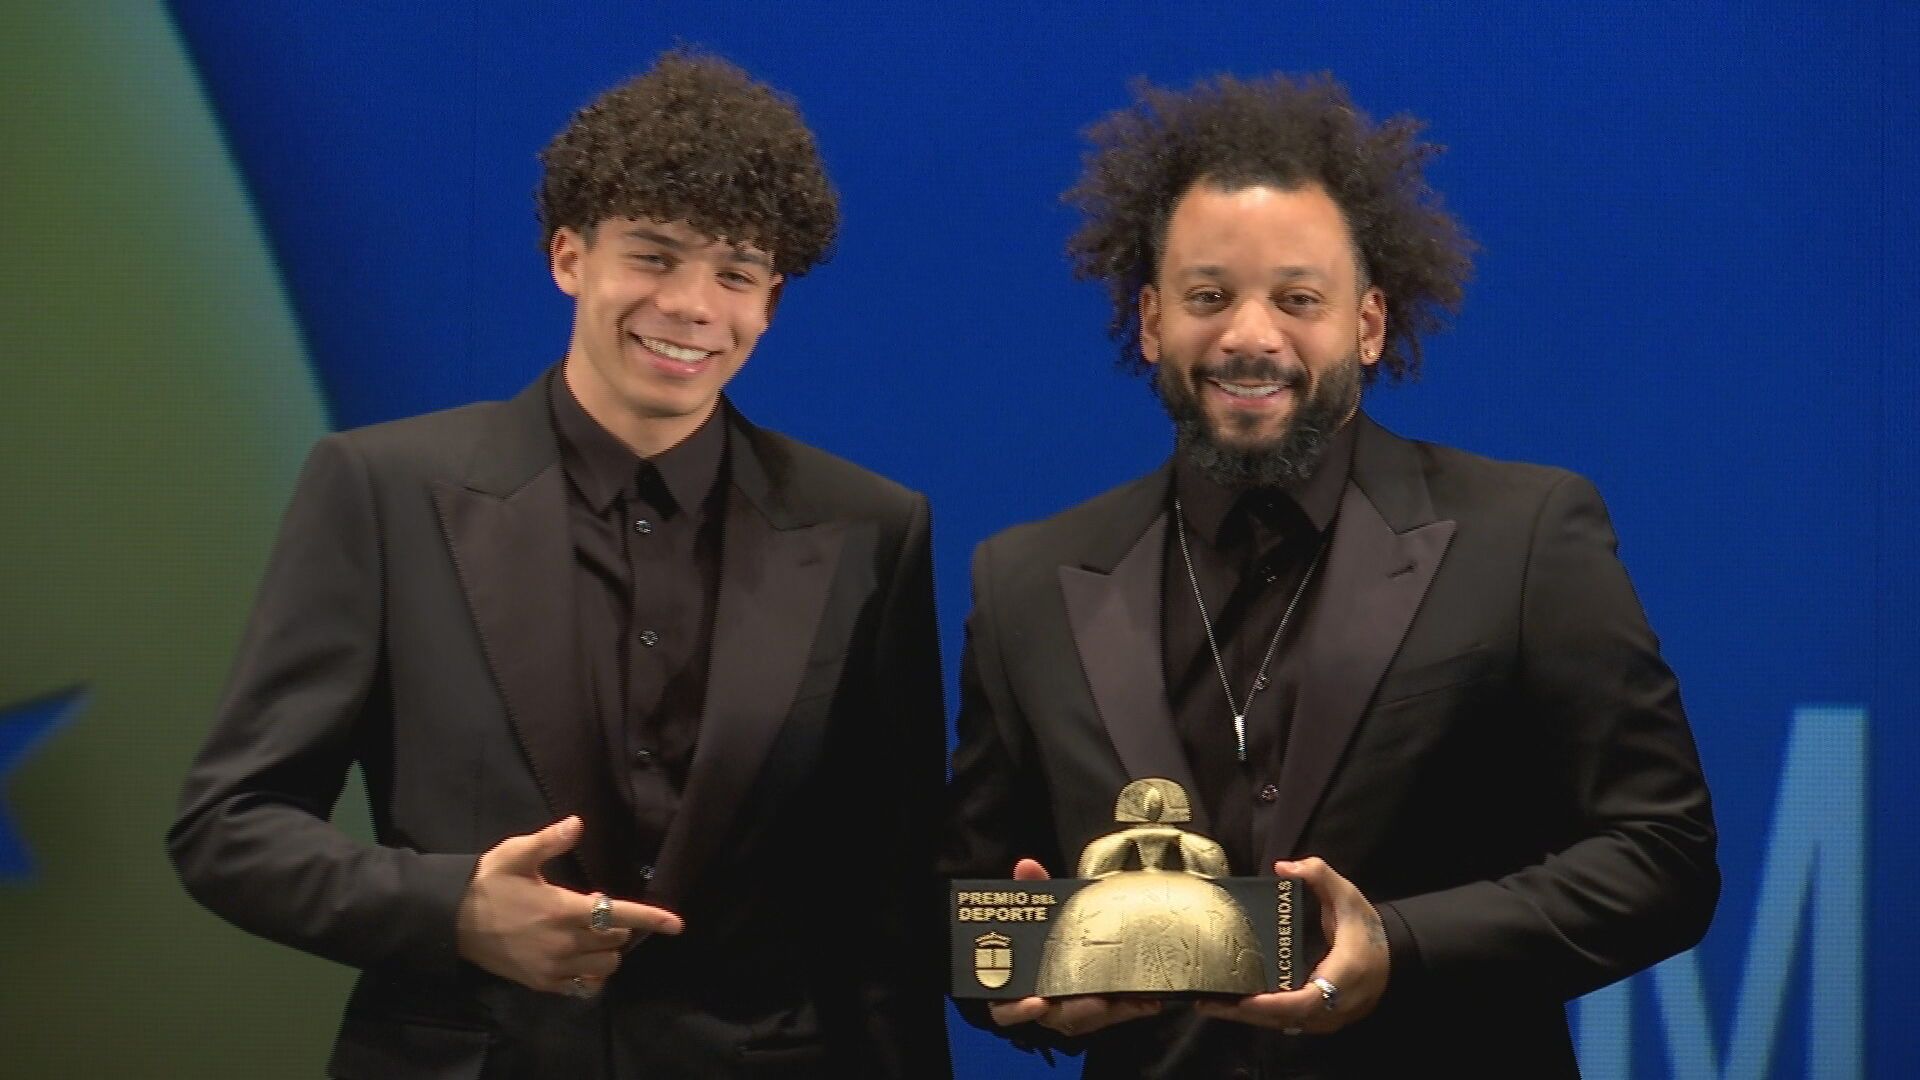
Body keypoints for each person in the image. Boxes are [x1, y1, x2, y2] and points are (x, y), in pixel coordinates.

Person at [169, 51, 951, 1078]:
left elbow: (883, 896)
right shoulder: (382, 489)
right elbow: (230, 827)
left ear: (772, 298)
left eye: (736, 273)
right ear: (568, 255)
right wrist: (452, 909)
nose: (692, 307)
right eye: (654, 256)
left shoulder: (868, 529)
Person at [941, 70, 1718, 1078]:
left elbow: (1662, 857)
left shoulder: (1524, 534)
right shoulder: (1026, 581)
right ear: (1149, 321)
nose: (1250, 335)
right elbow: (974, 910)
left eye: (1298, 298)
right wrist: (1024, 995)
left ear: (1369, 323)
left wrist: (1400, 943)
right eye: (1207, 296)